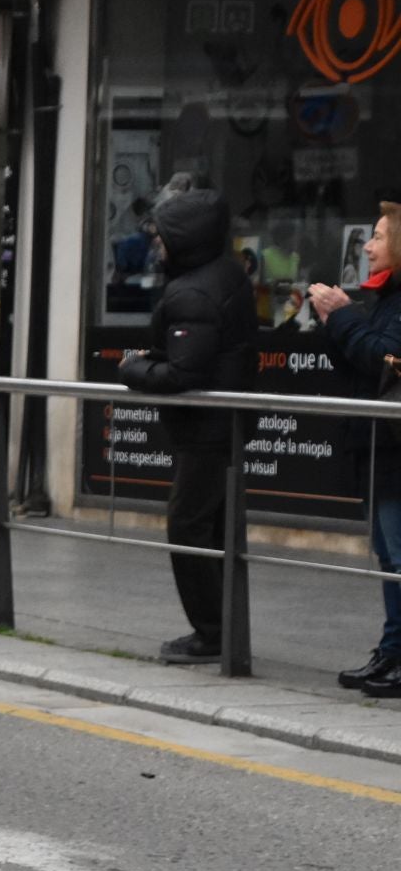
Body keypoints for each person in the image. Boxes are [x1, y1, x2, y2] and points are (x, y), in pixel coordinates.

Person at [119, 187, 256, 664]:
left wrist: (133, 367)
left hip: (205, 431)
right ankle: (225, 628)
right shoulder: (226, 275)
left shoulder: (192, 292)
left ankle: (212, 633)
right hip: (224, 428)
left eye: (162, 237)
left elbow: (183, 372)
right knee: (217, 532)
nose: (156, 245)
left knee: (188, 526)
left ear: (184, 241)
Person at [309, 203, 401, 696]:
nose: (367, 244)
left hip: (394, 448)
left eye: (380, 237)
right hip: (377, 443)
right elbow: (360, 367)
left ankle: (396, 655)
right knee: (388, 556)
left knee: (398, 556)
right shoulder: (384, 297)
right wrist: (332, 323)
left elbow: (386, 362)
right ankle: (390, 652)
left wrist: (343, 318)